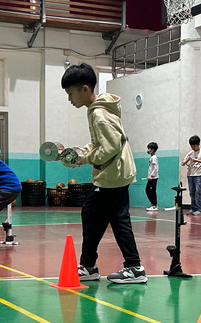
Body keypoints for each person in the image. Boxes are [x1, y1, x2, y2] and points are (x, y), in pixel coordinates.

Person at [61, 62, 146, 284]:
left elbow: (111, 147)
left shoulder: (99, 113)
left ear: (85, 89)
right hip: (115, 173)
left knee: (99, 215)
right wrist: (84, 152)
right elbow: (101, 143)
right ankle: (107, 265)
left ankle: (127, 267)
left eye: (71, 94)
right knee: (109, 217)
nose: (69, 100)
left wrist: (86, 158)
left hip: (113, 175)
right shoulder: (97, 110)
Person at [181, 135, 201, 215]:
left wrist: (197, 160)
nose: (193, 147)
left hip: (199, 175)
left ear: (198, 144)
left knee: (198, 192)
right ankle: (193, 208)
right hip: (190, 175)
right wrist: (185, 161)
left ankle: (200, 209)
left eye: (194, 145)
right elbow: (182, 163)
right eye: (191, 145)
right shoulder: (190, 153)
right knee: (192, 192)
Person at [145, 141, 159, 211]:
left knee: (151, 191)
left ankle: (154, 205)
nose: (149, 150)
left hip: (153, 178)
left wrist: (151, 175)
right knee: (148, 190)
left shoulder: (154, 158)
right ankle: (153, 204)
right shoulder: (152, 157)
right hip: (151, 177)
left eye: (150, 148)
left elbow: (156, 168)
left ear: (153, 149)